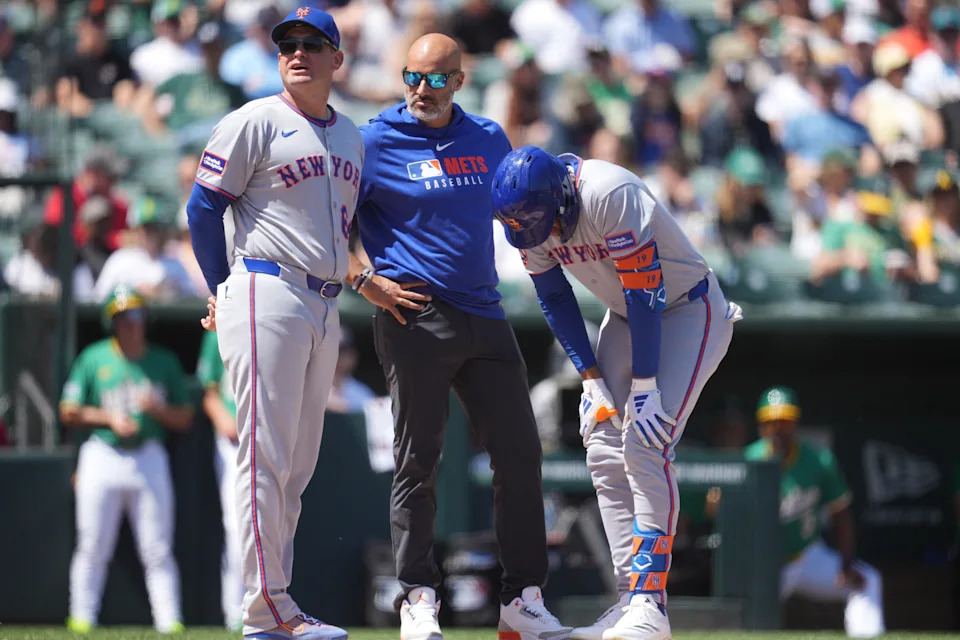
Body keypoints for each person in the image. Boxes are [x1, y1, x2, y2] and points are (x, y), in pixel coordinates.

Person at [352, 32, 571, 640]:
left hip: (486, 314)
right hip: (415, 313)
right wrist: (364, 280)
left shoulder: (489, 137)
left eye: (437, 78)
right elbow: (328, 224)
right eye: (412, 76)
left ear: (461, 81)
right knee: (418, 459)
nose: (423, 89)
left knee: (521, 455)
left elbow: (521, 215)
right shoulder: (372, 140)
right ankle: (418, 597)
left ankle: (522, 599)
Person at [491, 145, 743, 640]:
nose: (534, 233)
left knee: (646, 442)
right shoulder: (529, 213)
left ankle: (651, 604)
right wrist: (590, 376)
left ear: (560, 196)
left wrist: (645, 386)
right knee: (603, 447)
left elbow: (645, 291)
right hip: (627, 317)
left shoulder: (610, 191)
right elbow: (554, 296)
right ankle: (631, 601)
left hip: (687, 310)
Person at [185, 5, 362, 639]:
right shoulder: (255, 120)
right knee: (262, 455)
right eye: (287, 42)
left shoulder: (350, 136)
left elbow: (342, 229)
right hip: (266, 286)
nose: (298, 52)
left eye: (314, 44)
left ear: (337, 59)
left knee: (297, 464)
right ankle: (266, 609)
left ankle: (272, 608)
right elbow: (203, 207)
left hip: (323, 301)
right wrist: (220, 286)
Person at [60, 285, 193, 634]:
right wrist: (108, 418)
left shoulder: (163, 361)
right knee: (92, 543)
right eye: (123, 318)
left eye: (136, 316)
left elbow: (185, 417)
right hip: (102, 452)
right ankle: (81, 618)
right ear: (113, 322)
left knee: (158, 547)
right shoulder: (93, 357)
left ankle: (169, 621)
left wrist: (158, 410)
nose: (131, 324)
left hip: (149, 453)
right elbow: (68, 411)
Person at [745, 387, 885, 638]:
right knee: (746, 618)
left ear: (795, 423)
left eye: (784, 421)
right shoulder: (749, 460)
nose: (778, 428)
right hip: (766, 565)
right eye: (772, 421)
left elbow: (841, 513)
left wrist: (845, 563)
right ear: (761, 425)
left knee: (867, 580)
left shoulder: (818, 461)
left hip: (806, 555)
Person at [196, 330, 245, 631]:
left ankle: (272, 608)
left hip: (269, 437)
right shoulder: (221, 322)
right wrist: (225, 421)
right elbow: (210, 392)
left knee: (276, 528)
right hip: (233, 444)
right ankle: (235, 613)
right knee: (237, 531)